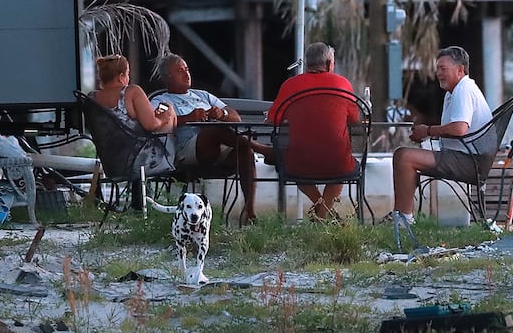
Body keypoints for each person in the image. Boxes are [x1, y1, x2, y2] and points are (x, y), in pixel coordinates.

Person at [151, 53, 264, 224]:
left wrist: (221, 113)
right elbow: (155, 123)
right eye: (180, 71)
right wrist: (188, 117)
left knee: (245, 151)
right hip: (186, 149)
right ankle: (264, 150)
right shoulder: (161, 100)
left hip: (216, 146)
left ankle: (250, 213)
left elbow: (236, 117)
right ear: (167, 78)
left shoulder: (202, 95)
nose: (186, 73)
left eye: (187, 69)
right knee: (215, 130)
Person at [388, 45, 493, 227]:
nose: (438, 73)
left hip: (469, 162)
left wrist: (428, 131)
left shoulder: (464, 89)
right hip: (462, 156)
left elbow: (459, 129)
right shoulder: (453, 92)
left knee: (403, 156)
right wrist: (425, 135)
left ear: (460, 70)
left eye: (443, 68)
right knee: (405, 154)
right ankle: (403, 217)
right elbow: (453, 129)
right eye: (437, 69)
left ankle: (403, 221)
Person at [268, 42, 361, 221]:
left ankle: (320, 213)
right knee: (340, 170)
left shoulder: (290, 85)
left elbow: (273, 119)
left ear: (308, 63)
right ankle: (323, 214)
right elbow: (355, 119)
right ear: (328, 64)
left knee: (293, 166)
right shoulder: (342, 83)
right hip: (337, 163)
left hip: (299, 163)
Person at [91, 53, 176, 175]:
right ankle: (174, 164)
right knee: (170, 109)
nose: (128, 78)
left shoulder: (91, 98)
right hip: (141, 162)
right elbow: (151, 125)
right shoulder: (132, 92)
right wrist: (163, 118)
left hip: (111, 165)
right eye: (128, 73)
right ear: (121, 77)